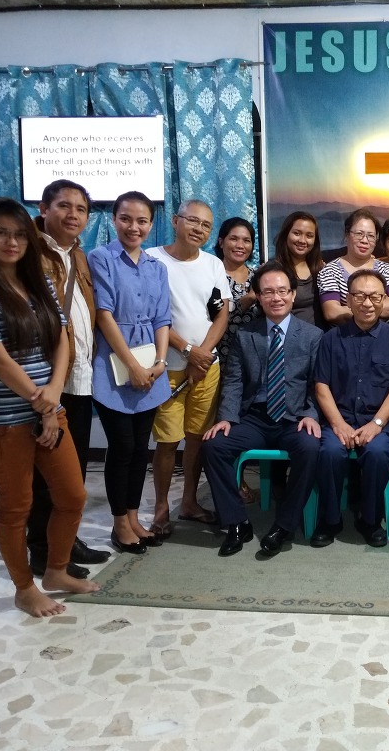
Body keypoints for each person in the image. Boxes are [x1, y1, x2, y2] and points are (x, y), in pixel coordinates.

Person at [0, 179, 109, 578]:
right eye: (1, 233)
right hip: (12, 412)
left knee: (71, 488)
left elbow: (62, 333)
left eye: (81, 209)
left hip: (63, 387)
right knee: (22, 499)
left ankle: (60, 557)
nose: (12, 242)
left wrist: (52, 397)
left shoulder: (66, 264)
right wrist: (46, 402)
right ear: (44, 210)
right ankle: (34, 569)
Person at [202, 262, 323, 558]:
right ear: (258, 296)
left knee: (310, 447)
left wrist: (311, 414)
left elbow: (318, 384)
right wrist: (227, 418)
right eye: (268, 292)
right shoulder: (246, 334)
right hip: (255, 419)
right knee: (214, 445)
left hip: (294, 419)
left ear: (292, 294)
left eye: (282, 291)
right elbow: (234, 380)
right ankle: (237, 523)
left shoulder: (312, 335)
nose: (276, 297)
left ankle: (284, 525)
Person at [88, 191, 171, 555]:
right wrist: (133, 366)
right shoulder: (101, 258)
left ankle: (135, 518)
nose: (133, 227)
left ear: (151, 224)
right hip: (113, 365)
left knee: (140, 449)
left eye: (142, 221)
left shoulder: (157, 267)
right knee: (121, 446)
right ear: (114, 219)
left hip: (151, 365)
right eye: (126, 219)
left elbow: (162, 319)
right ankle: (119, 523)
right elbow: (104, 315)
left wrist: (159, 363)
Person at [147, 200, 231, 537]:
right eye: (192, 221)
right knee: (168, 440)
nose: (199, 229)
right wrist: (187, 350)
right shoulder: (152, 260)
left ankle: (190, 502)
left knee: (197, 438)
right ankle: (161, 507)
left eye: (206, 225)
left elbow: (221, 314)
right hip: (166, 366)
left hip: (207, 367)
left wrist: (203, 355)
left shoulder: (213, 264)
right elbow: (151, 316)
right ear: (175, 220)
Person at [312, 269, 389, 547]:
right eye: (360, 296)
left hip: (379, 421)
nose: (367, 303)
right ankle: (330, 520)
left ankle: (370, 519)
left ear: (383, 300)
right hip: (339, 418)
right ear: (348, 299)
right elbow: (321, 386)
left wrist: (376, 424)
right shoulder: (330, 338)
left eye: (375, 296)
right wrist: (338, 424)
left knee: (379, 454)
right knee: (330, 452)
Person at [317, 208, 389, 326]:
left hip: (384, 335)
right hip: (347, 335)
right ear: (347, 234)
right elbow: (332, 313)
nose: (364, 240)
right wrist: (379, 306)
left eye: (371, 236)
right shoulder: (330, 271)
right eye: (359, 234)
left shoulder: (388, 269)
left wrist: (350, 308)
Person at [215, 217, 258, 363]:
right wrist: (250, 298)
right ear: (221, 242)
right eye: (233, 239)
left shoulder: (259, 277)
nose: (240, 245)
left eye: (246, 241)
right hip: (221, 356)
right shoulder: (212, 276)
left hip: (255, 357)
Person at [273, 211, 325, 328]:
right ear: (286, 234)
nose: (302, 240)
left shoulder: (321, 269)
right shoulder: (274, 271)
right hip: (290, 336)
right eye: (297, 233)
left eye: (309, 236)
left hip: (321, 336)